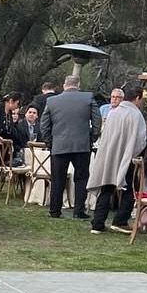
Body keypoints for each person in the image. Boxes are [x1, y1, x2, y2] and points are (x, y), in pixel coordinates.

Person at [88, 83, 147, 234]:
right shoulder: (135, 115)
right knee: (129, 189)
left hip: (110, 155)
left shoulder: (113, 112)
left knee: (106, 186)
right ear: (137, 98)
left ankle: (98, 222)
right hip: (127, 158)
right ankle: (120, 220)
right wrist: (133, 153)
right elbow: (141, 140)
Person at [39, 74, 101, 219]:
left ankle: (55, 210)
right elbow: (97, 121)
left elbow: (44, 124)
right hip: (81, 145)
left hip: (59, 145)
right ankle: (79, 211)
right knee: (81, 178)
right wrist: (92, 138)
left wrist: (50, 141)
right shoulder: (88, 98)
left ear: (64, 85)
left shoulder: (52, 101)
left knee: (57, 179)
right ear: (78, 85)